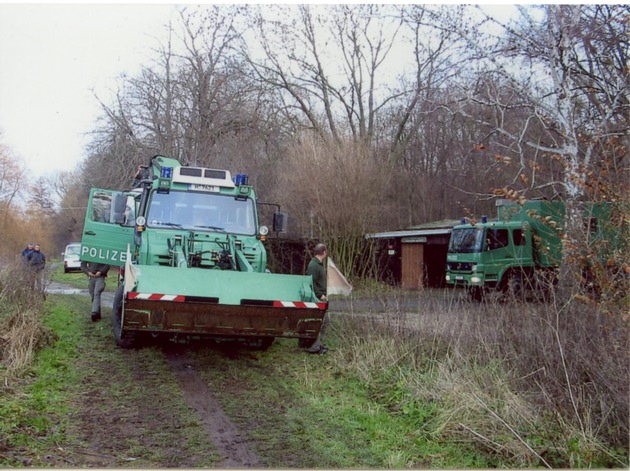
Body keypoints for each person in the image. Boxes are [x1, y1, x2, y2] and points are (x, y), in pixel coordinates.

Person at [305, 243, 329, 354]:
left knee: (325, 322)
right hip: (317, 299)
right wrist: (320, 295)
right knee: (320, 323)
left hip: (322, 299)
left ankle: (317, 345)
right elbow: (310, 283)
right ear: (323, 252)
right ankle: (314, 347)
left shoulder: (318, 264)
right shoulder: (314, 266)